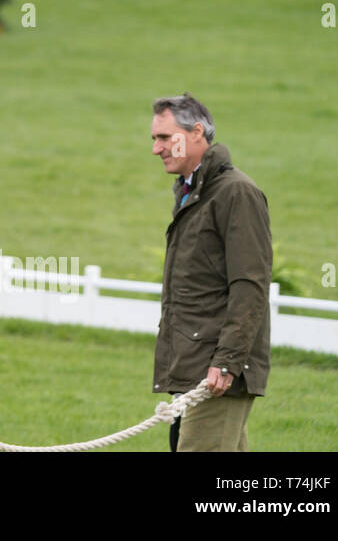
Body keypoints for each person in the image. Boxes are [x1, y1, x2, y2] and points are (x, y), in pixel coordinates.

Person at [149, 94, 271, 452]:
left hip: (216, 372)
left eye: (164, 137)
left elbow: (250, 284)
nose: (156, 149)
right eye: (154, 139)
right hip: (196, 367)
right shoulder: (193, 192)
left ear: (196, 132)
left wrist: (228, 360)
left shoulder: (236, 193)